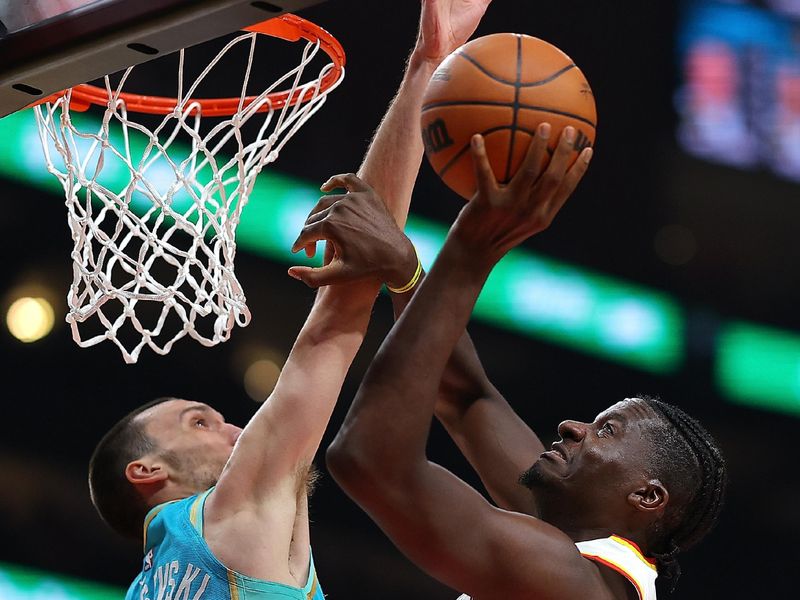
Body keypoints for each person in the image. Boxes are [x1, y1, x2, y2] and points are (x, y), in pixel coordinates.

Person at [86, 1, 493, 598]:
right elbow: (344, 303)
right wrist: (424, 69)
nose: (235, 429)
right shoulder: (224, 519)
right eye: (199, 423)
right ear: (148, 472)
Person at [308, 127, 727, 600]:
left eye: (606, 431)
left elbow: (368, 459)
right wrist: (405, 271)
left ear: (646, 497)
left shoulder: (571, 583)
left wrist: (473, 247)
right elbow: (465, 395)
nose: (572, 426)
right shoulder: (576, 548)